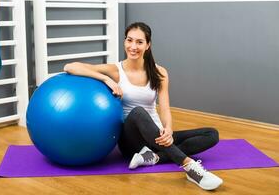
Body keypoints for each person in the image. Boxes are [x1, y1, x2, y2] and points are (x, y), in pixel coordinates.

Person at [64, 22, 223, 190]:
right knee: (138, 112)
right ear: (125, 42)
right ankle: (190, 167)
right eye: (129, 40)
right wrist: (106, 79)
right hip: (131, 141)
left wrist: (168, 129)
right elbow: (70, 67)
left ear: (148, 45)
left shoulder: (160, 72)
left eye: (139, 42)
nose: (133, 46)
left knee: (212, 134)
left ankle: (153, 157)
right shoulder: (115, 70)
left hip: (156, 136)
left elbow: (164, 107)